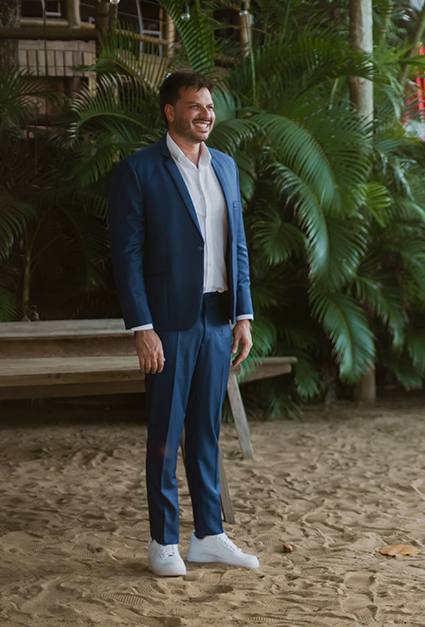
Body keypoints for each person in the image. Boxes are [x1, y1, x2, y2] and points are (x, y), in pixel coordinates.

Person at [109, 70, 260, 577]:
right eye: (195, 105)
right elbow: (126, 257)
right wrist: (142, 326)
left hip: (218, 317)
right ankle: (162, 541)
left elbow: (236, 243)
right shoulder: (137, 171)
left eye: (210, 106)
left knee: (206, 434)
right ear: (170, 111)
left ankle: (209, 536)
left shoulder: (226, 167)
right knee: (165, 433)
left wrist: (243, 314)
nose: (206, 114)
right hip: (168, 322)